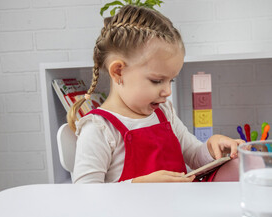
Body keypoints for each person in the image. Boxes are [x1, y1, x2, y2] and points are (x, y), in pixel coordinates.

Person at [67, 5, 244, 184]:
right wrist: (139, 185)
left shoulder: (164, 112)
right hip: (133, 212)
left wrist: (212, 148)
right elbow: (86, 194)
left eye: (171, 81)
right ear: (119, 72)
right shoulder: (99, 128)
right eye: (157, 81)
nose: (167, 91)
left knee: (239, 166)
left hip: (179, 206)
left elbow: (193, 154)